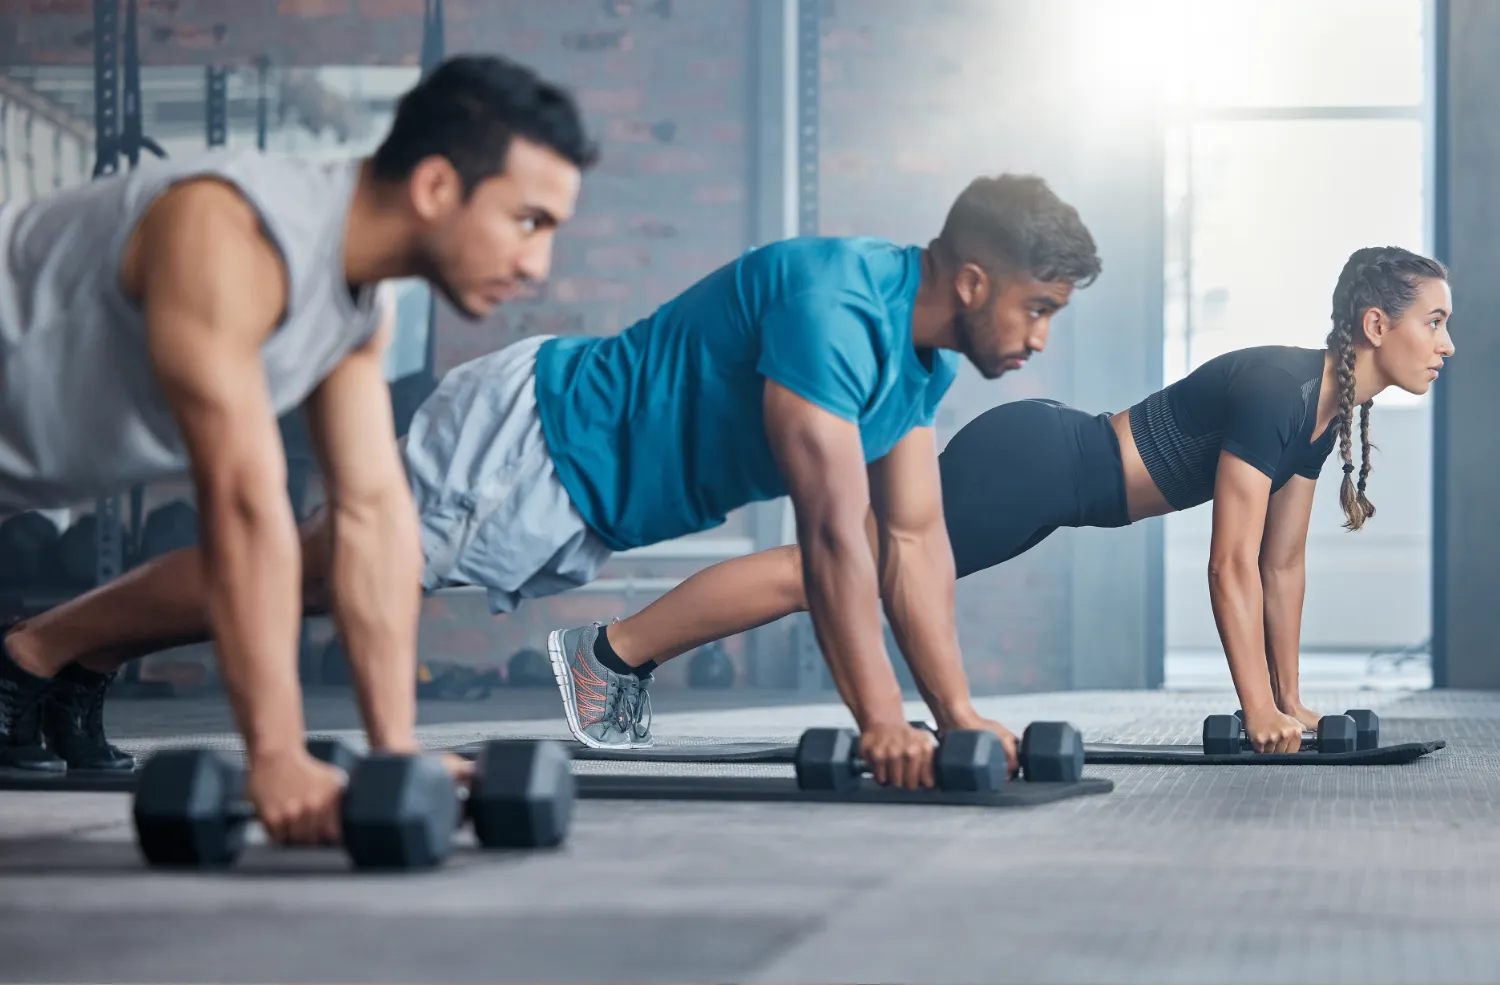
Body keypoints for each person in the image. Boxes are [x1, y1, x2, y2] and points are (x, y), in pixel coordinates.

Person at [4, 174, 1102, 790]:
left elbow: (913, 546)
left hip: (567, 479)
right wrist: (881, 723)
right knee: (304, 574)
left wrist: (955, 714)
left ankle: (70, 660)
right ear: (971, 279)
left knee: (304, 575)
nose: (1041, 339)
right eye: (1039, 309)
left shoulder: (913, 366)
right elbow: (831, 544)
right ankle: (34, 653)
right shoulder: (836, 307)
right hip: (532, 444)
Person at [0, 55, 596, 843]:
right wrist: (274, 755)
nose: (536, 264)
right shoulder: (228, 228)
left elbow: (373, 518)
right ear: (436, 188)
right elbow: (244, 505)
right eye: (529, 221)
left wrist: (395, 756)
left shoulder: (356, 310)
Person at [591, 245, 1453, 755]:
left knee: (840, 568)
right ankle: (610, 654)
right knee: (831, 571)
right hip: (1036, 465)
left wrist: (1289, 701)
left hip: (1052, 476)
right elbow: (1228, 563)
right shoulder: (1279, 388)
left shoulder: (1323, 409)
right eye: (1436, 321)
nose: (1447, 343)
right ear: (1377, 326)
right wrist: (1255, 707)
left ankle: (618, 656)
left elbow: (1282, 564)